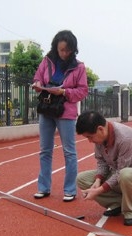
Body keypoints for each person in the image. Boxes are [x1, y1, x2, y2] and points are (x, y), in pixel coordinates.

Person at [31, 30, 88, 202]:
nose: (64, 53)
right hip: (47, 109)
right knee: (45, 150)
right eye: (61, 49)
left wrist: (64, 91)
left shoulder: (79, 67)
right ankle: (43, 187)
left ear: (73, 49)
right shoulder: (46, 61)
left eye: (68, 50)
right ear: (56, 47)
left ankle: (70, 190)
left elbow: (83, 90)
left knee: (69, 151)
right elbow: (37, 78)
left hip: (66, 111)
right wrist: (38, 84)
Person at [76, 111, 132, 226]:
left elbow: (121, 171)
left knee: (126, 174)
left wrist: (98, 191)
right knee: (81, 178)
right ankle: (118, 204)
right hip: (117, 175)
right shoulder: (100, 138)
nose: (89, 141)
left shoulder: (124, 138)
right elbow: (102, 162)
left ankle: (131, 211)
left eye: (90, 137)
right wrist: (98, 181)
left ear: (100, 129)